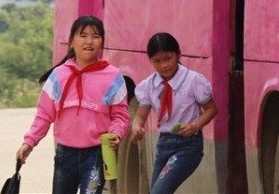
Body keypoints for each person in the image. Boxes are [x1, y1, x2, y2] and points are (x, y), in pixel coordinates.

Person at [17, 15, 129, 194]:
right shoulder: (58, 76)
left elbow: (120, 115)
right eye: (83, 35)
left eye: (96, 36)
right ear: (71, 41)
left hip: (96, 155)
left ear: (102, 43)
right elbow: (44, 116)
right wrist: (29, 143)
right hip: (65, 155)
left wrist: (116, 133)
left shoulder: (114, 77)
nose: (89, 41)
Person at [130, 33, 218, 194]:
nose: (164, 65)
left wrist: (195, 126)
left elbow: (212, 109)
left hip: (188, 145)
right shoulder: (149, 85)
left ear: (179, 54)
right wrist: (136, 126)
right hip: (163, 144)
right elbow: (140, 115)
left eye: (168, 58)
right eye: (157, 61)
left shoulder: (193, 80)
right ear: (150, 61)